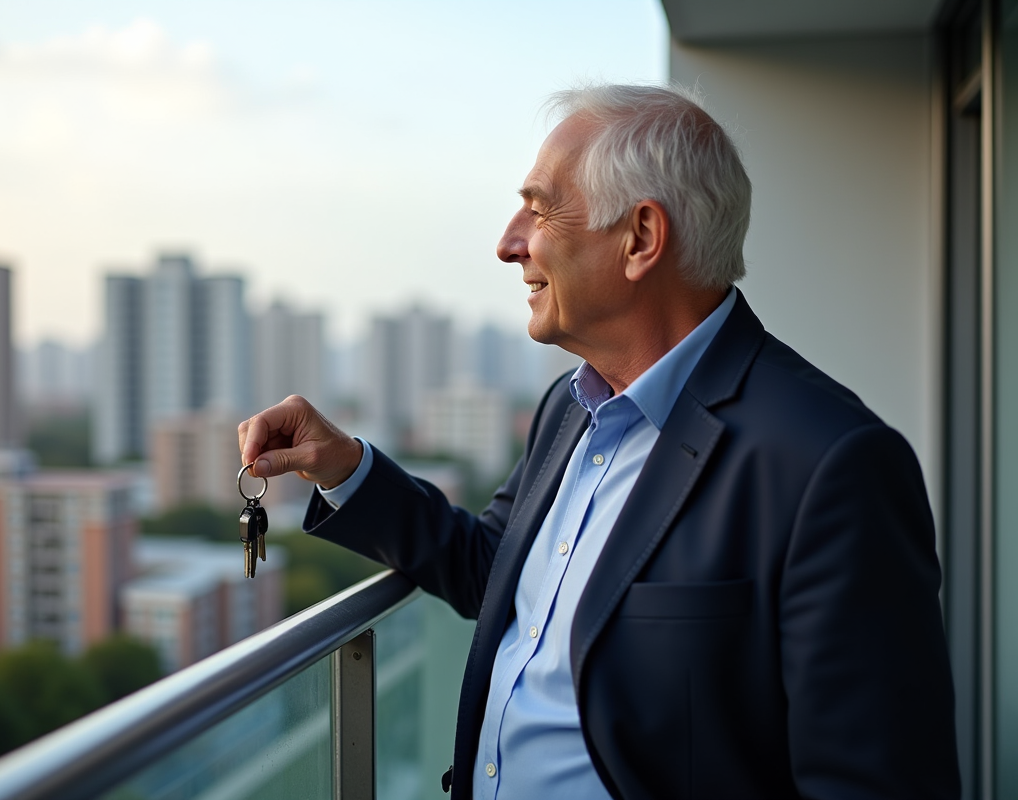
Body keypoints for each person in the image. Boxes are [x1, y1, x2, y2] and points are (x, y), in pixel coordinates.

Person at [239, 85, 959, 799]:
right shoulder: (569, 406)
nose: (508, 243)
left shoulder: (832, 464)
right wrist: (346, 467)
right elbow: (497, 572)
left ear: (640, 238)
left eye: (539, 209)